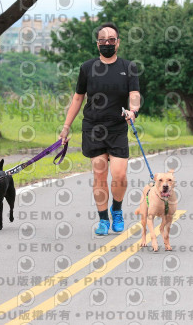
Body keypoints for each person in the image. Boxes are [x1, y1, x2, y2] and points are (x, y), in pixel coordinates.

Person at [59, 23, 140, 236]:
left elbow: (134, 93)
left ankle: (117, 210)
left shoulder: (128, 67)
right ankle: (104, 219)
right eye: (102, 40)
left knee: (120, 175)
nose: (107, 43)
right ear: (97, 44)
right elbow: (78, 97)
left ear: (118, 43)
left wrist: (133, 110)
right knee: (100, 175)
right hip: (93, 128)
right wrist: (66, 127)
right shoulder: (87, 68)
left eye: (111, 40)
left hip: (117, 127)